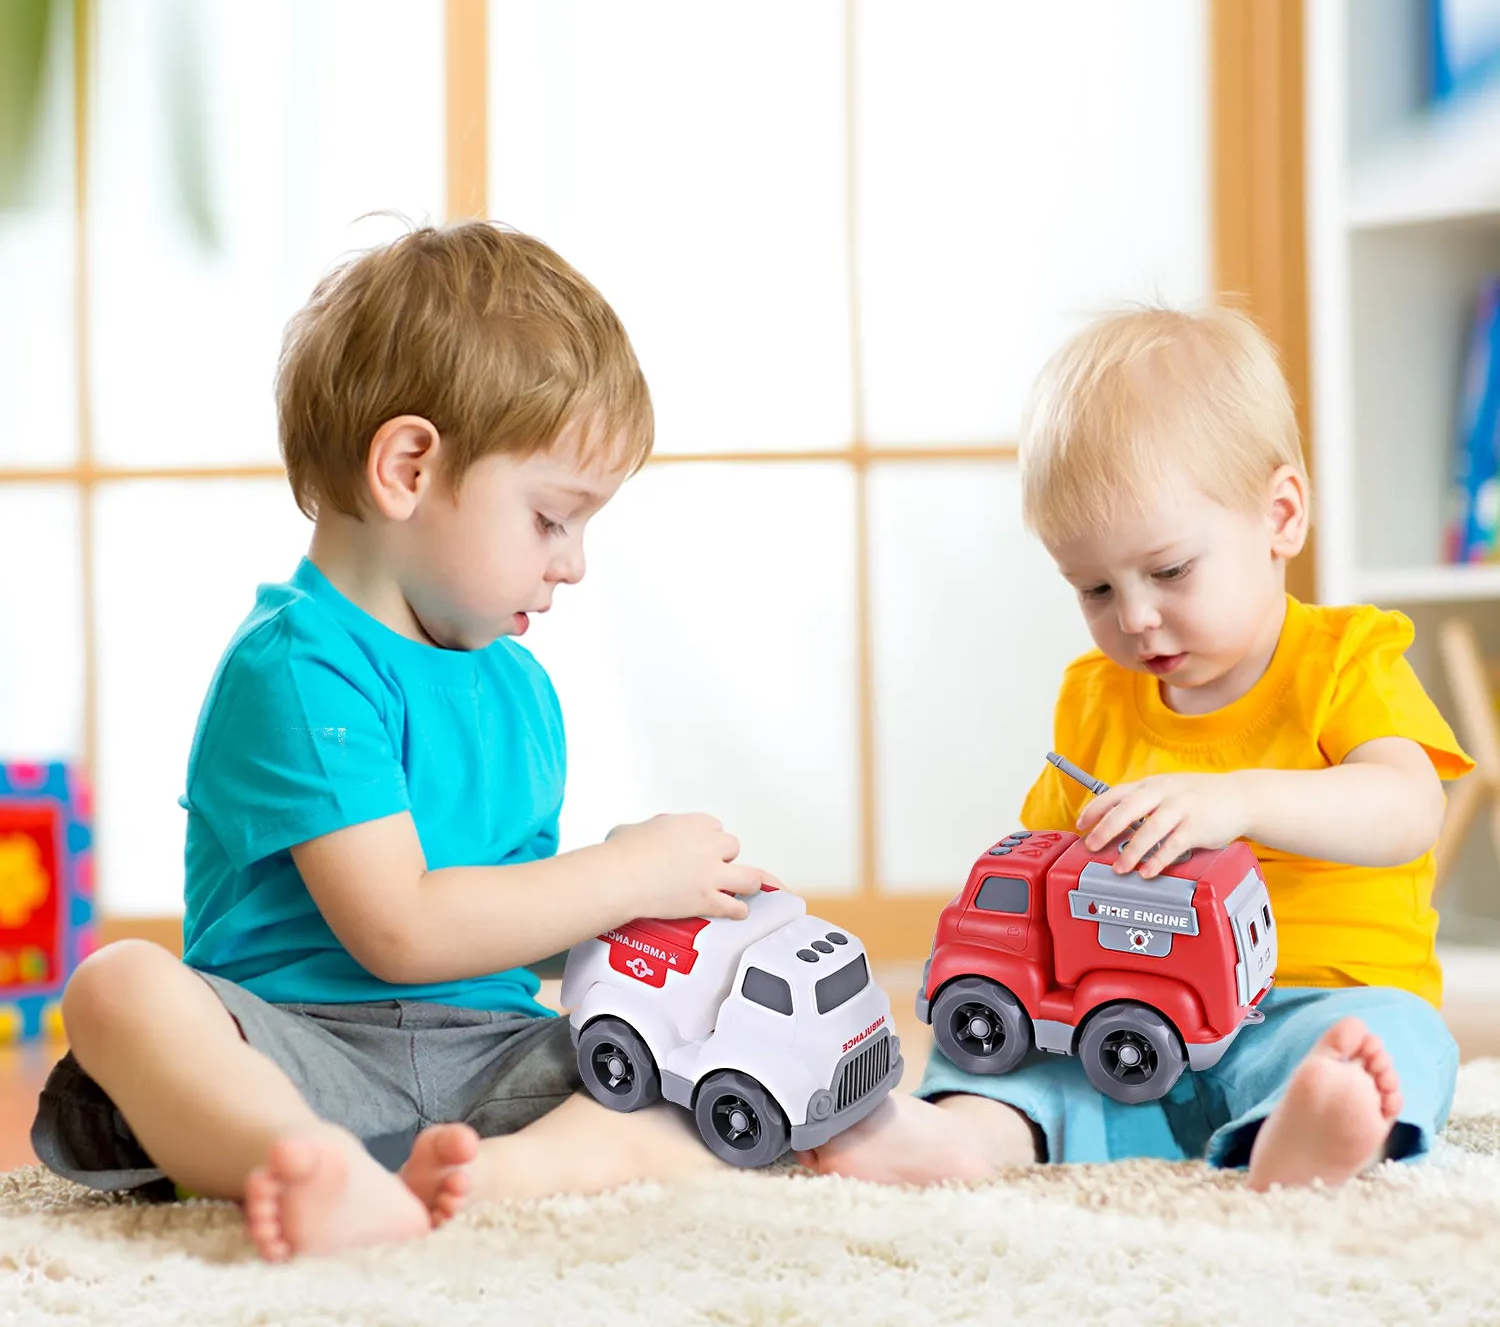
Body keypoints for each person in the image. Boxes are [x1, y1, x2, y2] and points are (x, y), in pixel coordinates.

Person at [33, 221, 769, 1260]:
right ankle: (296, 1159)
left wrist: (657, 914)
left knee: (713, 1070)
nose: (575, 564)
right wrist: (615, 873)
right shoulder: (298, 668)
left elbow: (497, 929)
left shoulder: (517, 685)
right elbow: (403, 931)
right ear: (410, 468)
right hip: (300, 1051)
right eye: (554, 518)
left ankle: (494, 1178)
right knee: (118, 987)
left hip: (493, 1062)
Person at [799, 304, 1472, 1190]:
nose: (1136, 616)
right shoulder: (1094, 696)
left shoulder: (1343, 661)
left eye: (1169, 571)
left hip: (1312, 1001)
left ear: (1280, 516)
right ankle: (970, 1136)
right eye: (1094, 588)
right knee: (1016, 1062)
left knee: (1396, 1041)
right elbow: (1041, 861)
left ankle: (1305, 1128)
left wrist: (1240, 800)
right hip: (1127, 1009)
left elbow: (1406, 809)